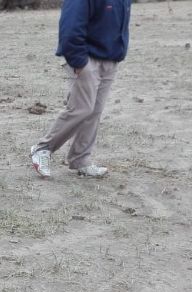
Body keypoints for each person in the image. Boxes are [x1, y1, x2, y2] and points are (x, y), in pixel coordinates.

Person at [30, 0, 131, 178]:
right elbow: (70, 25)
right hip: (86, 60)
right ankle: (43, 148)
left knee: (94, 111)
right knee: (81, 109)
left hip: (110, 60)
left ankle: (81, 160)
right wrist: (79, 61)